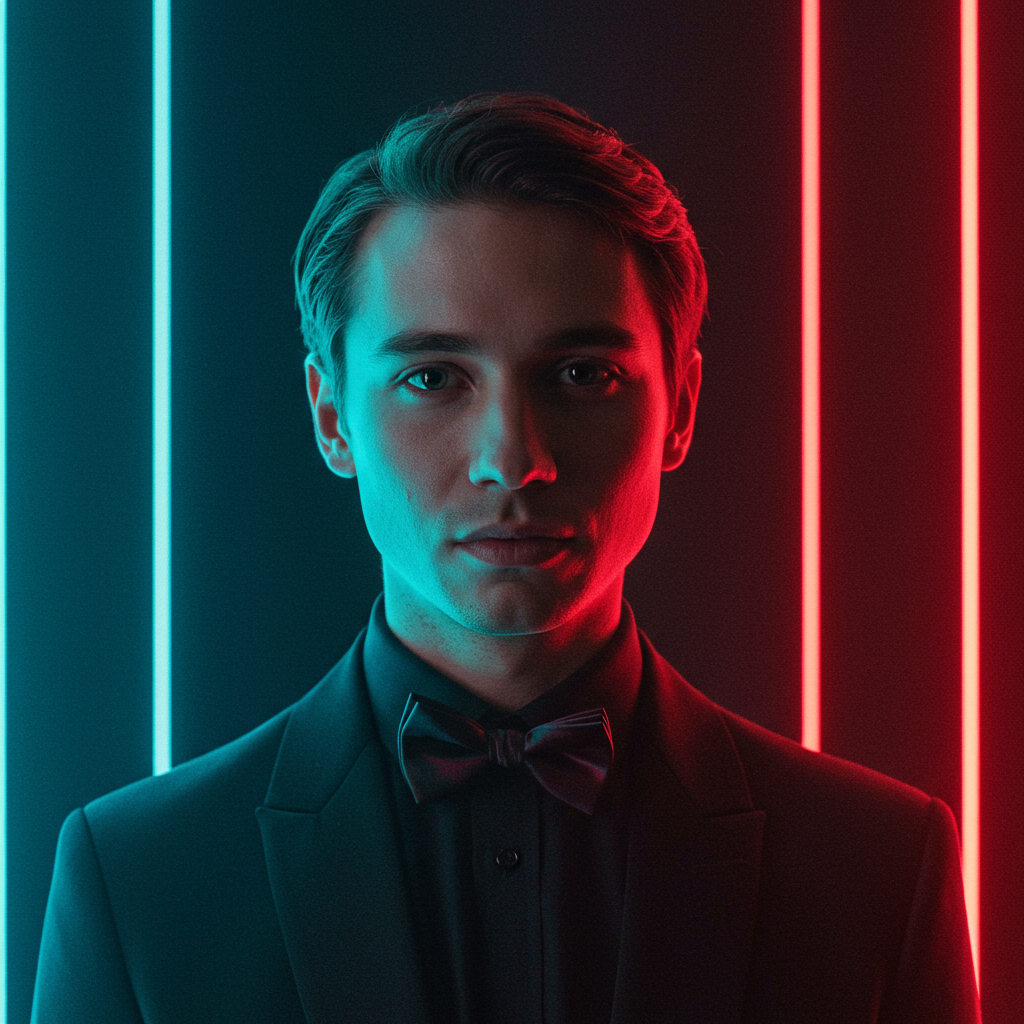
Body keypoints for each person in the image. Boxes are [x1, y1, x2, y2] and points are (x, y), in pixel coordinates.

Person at [32, 94, 980, 1023]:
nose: (514, 459)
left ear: (680, 409)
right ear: (332, 419)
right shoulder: (138, 884)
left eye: (583, 375)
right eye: (432, 378)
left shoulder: (880, 872)